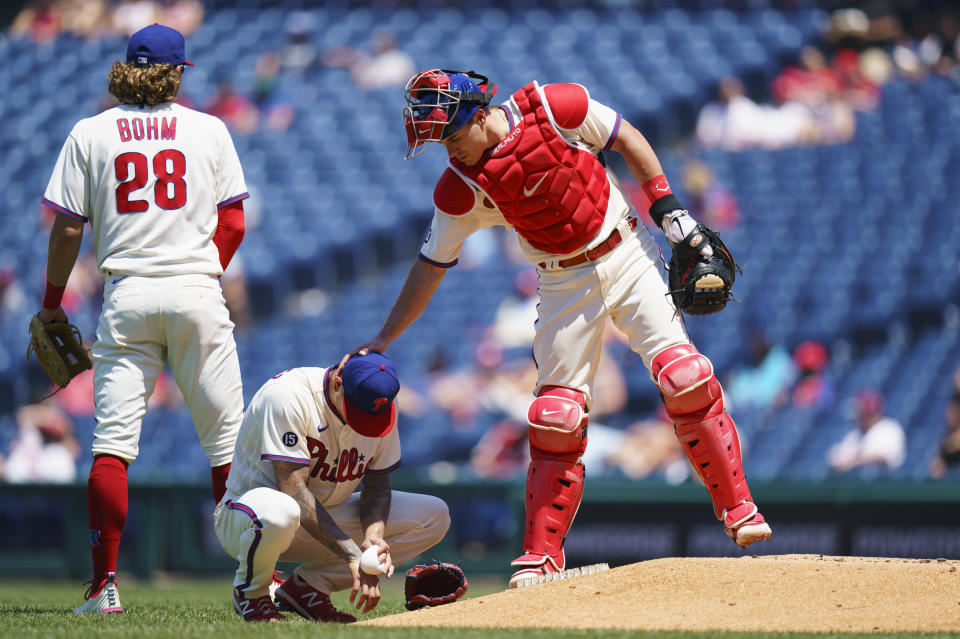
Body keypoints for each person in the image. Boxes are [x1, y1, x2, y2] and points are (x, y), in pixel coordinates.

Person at [345, 69, 771, 588]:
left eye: (453, 137)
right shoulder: (459, 187)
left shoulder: (552, 105)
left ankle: (739, 509)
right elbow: (430, 265)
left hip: (627, 250)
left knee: (685, 377)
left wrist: (668, 208)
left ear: (480, 115)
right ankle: (541, 556)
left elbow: (625, 136)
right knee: (555, 416)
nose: (450, 152)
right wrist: (385, 336)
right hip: (563, 280)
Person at [37, 24, 249, 614]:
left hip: (126, 294)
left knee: (111, 448)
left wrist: (53, 301)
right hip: (196, 292)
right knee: (227, 445)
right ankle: (250, 582)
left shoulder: (90, 131)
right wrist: (201, 271)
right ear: (179, 71)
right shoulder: (209, 128)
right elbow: (232, 223)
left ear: (127, 67)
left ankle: (104, 585)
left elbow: (69, 226)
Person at [215, 352, 450, 623]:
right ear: (338, 382)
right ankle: (251, 594)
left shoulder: (380, 403)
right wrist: (351, 553)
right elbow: (293, 489)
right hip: (249, 518)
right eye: (357, 411)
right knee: (281, 511)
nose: (360, 421)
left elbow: (376, 482)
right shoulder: (286, 396)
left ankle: (308, 587)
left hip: (322, 518)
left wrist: (374, 537)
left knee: (435, 515)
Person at [828, 389, 906, 474]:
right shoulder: (854, 434)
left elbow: (884, 457)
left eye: (861, 412)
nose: (858, 417)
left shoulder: (889, 428)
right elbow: (835, 460)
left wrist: (854, 462)